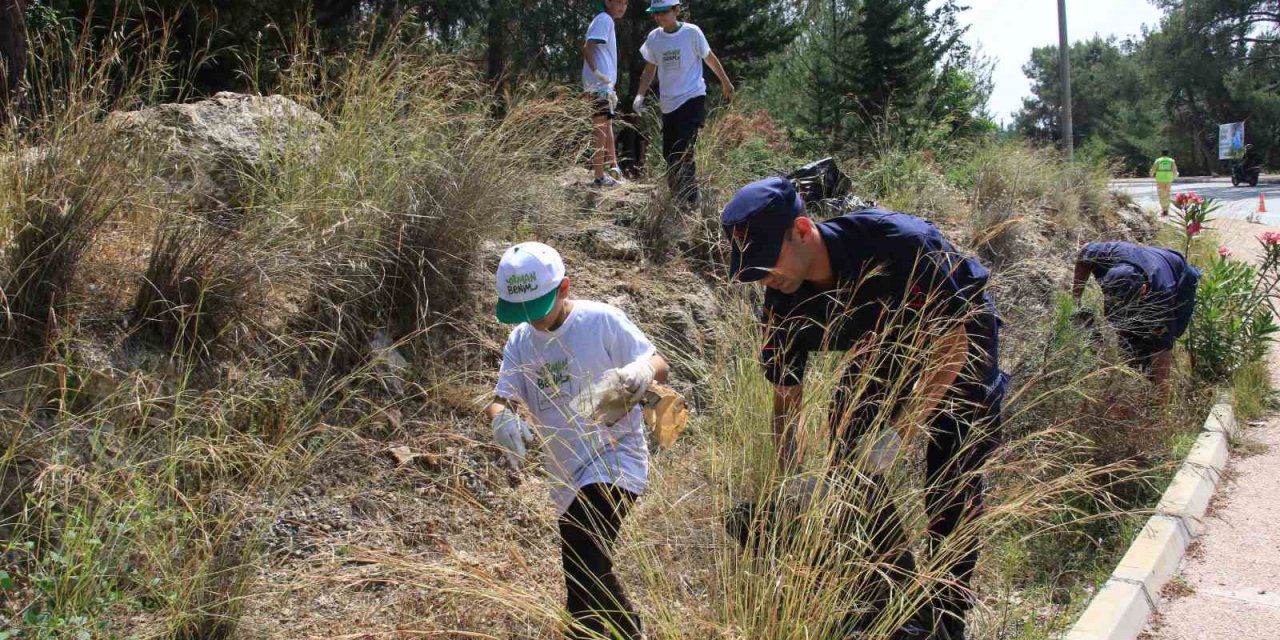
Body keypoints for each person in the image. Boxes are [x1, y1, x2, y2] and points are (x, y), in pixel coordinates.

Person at [721, 177, 1007, 639]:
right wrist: (794, 479)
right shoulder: (782, 301)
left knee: (953, 466)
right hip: (881, 343)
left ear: (801, 229)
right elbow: (785, 397)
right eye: (750, 269)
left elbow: (951, 341)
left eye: (767, 261)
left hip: (958, 331)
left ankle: (947, 618)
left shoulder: (899, 243)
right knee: (849, 450)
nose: (763, 276)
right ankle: (895, 598)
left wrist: (901, 431)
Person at [485, 241, 670, 640]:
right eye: (521, 313)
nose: (532, 322)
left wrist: (639, 372)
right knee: (581, 571)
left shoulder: (601, 320)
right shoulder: (520, 341)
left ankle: (628, 633)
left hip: (616, 458)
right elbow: (503, 398)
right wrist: (503, 420)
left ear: (564, 287)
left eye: (537, 309)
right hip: (564, 472)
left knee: (583, 551)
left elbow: (660, 365)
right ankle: (586, 631)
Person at [633, 0, 734, 207]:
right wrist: (639, 95)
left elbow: (710, 58)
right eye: (655, 13)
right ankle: (676, 199)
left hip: (692, 96)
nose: (659, 17)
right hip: (669, 103)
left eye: (663, 12)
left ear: (676, 10)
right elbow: (649, 69)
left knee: (684, 148)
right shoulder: (654, 38)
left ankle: (691, 199)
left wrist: (726, 82)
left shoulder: (692, 33)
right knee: (669, 153)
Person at [1072, 241, 1200, 391]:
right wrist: (1075, 301)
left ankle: (1147, 373)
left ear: (1144, 290)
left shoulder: (1162, 298)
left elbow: (1162, 354)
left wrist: (1162, 405)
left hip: (1179, 275)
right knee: (1125, 332)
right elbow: (1083, 254)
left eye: (1126, 304)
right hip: (1140, 256)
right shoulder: (1104, 257)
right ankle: (1135, 364)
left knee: (1166, 336)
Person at [583, 0, 628, 188]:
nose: (623, 6)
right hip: (598, 85)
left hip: (604, 86)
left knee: (607, 124)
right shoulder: (604, 19)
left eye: (626, 2)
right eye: (619, 1)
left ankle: (614, 169)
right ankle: (599, 177)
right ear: (607, 1)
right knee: (601, 128)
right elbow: (587, 47)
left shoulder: (606, 20)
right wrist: (597, 73)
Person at [1150, 149, 1178, 216]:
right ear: (1168, 153)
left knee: (1161, 194)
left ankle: (1163, 209)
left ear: (1161, 153)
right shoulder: (1171, 160)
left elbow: (1153, 169)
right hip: (1168, 178)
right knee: (1167, 194)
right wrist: (1174, 176)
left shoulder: (1158, 160)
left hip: (1160, 178)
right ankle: (1167, 209)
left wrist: (1151, 174)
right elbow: (1174, 170)